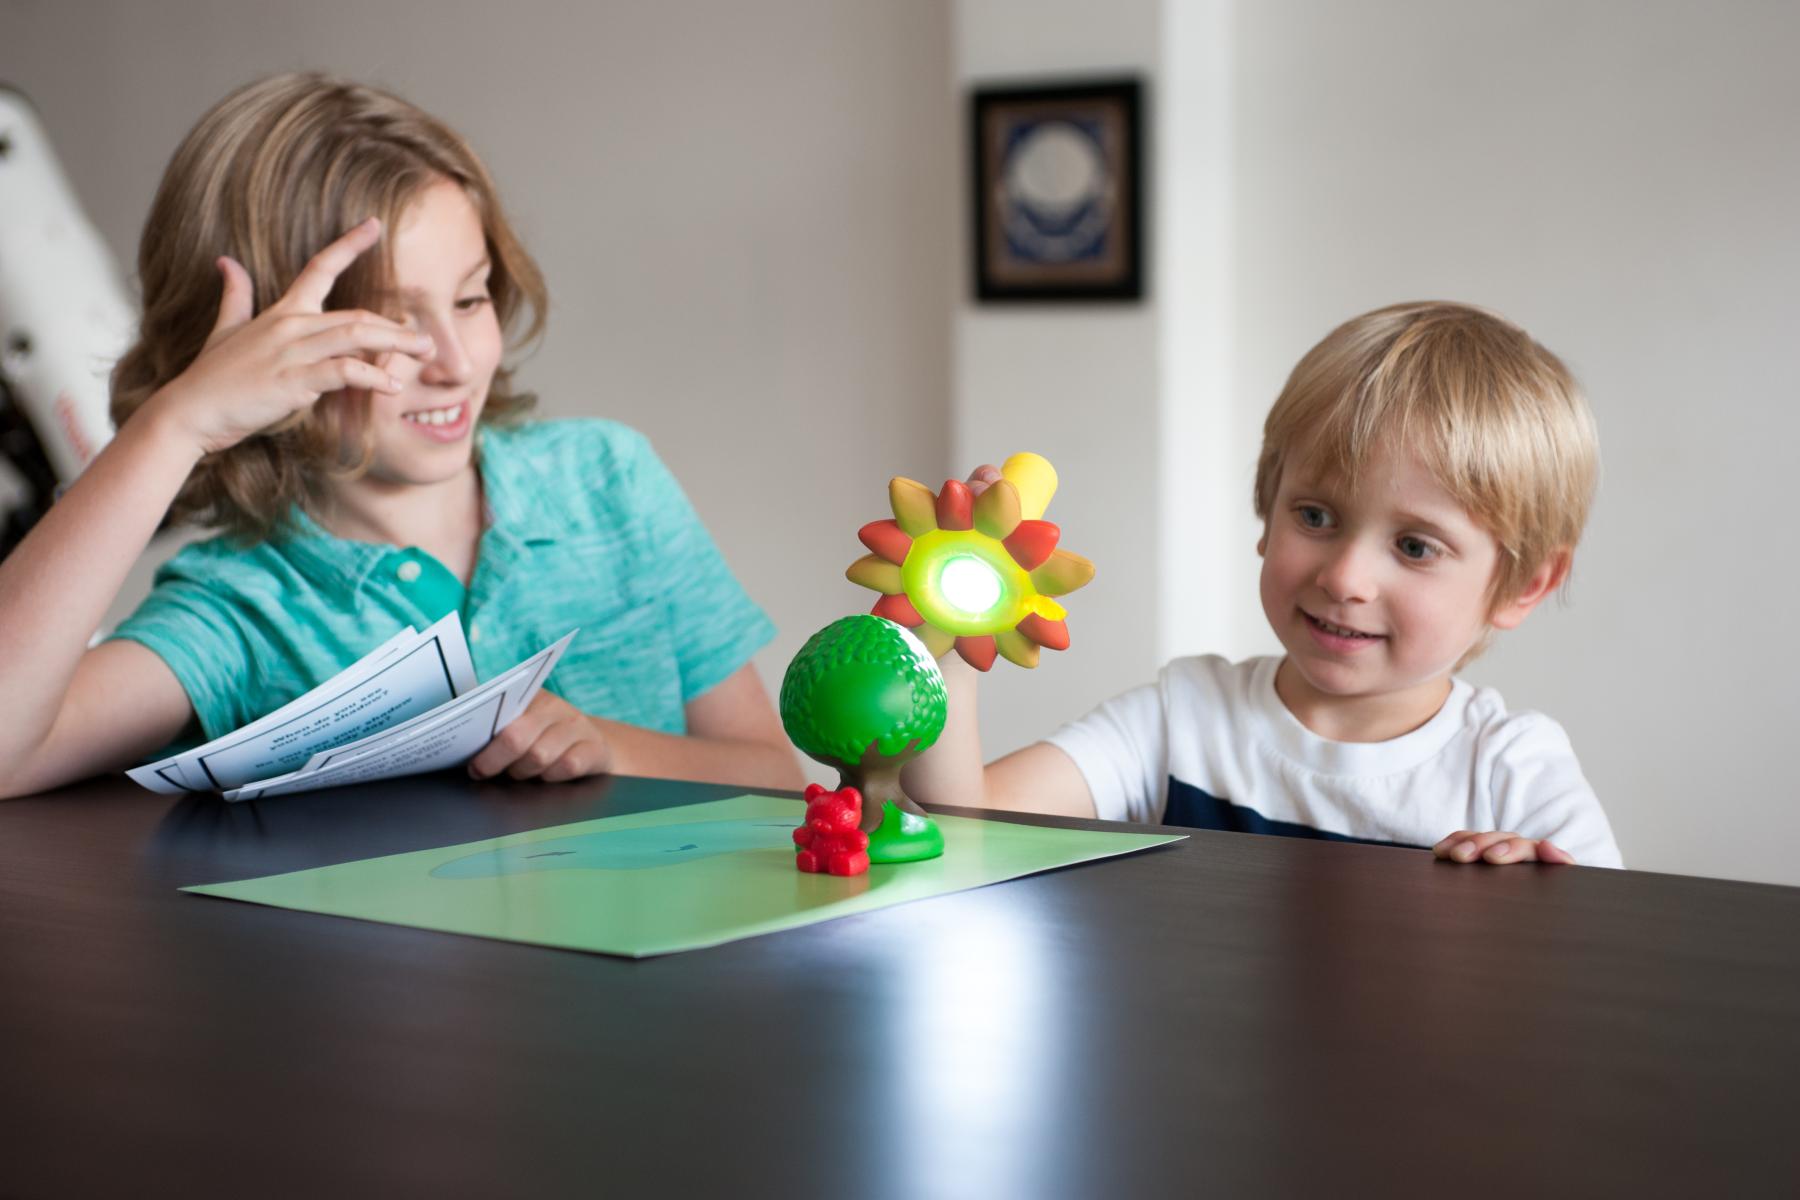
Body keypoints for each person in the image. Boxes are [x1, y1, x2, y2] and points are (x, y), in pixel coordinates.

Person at [0, 73, 803, 800]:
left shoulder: (609, 480)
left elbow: (770, 773)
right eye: (390, 321)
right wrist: (173, 425)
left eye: (471, 300)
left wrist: (609, 748)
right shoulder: (241, 610)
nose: (455, 365)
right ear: (254, 357)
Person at [906, 301, 1622, 867]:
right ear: (1265, 506)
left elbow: (1614, 959)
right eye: (1316, 515)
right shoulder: (1183, 719)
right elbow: (967, 828)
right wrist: (946, 645)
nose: (1345, 576)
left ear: (1524, 584)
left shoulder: (1512, 773)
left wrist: (1542, 900)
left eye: (1413, 546)